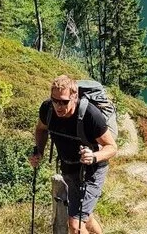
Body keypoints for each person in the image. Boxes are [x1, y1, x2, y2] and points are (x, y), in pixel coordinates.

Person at [29, 76, 117, 234]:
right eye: (55, 100)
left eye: (64, 102)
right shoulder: (47, 109)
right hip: (68, 168)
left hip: (92, 170)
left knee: (75, 224)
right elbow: (41, 129)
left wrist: (93, 156)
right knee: (85, 215)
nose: (58, 106)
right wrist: (39, 151)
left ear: (74, 97)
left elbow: (111, 147)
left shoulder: (90, 115)